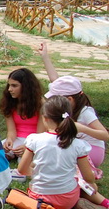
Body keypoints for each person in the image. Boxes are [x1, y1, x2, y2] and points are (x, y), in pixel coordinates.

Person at [17, 96, 109, 209]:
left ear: (44, 118)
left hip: (38, 198)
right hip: (67, 200)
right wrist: (92, 182)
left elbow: (22, 169)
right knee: (78, 183)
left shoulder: (34, 139)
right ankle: (87, 204)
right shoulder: (78, 144)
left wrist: (37, 173)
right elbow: (88, 177)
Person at [38, 42, 107, 171]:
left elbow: (105, 135)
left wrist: (83, 129)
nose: (54, 101)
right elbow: (55, 80)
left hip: (92, 152)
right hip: (78, 148)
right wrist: (45, 56)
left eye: (56, 98)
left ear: (69, 99)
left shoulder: (85, 112)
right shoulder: (66, 104)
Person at [0, 67, 44, 161]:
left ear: (26, 87)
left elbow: (40, 134)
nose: (10, 89)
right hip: (17, 139)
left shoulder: (41, 104)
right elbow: (11, 131)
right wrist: (9, 140)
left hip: (35, 140)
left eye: (14, 86)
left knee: (24, 160)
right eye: (9, 85)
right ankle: (10, 154)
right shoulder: (9, 102)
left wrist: (27, 147)